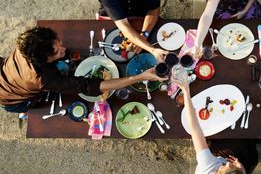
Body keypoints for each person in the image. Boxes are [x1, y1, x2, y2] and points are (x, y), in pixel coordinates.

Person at [0, 27, 166, 118]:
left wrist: (57, 55)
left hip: (7, 71)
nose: (64, 49)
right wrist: (140, 77)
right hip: (12, 99)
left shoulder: (29, 44)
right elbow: (89, 86)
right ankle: (24, 111)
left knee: (64, 67)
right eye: (57, 52)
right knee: (33, 104)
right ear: (42, 60)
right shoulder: (44, 80)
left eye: (59, 44)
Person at [174, 77, 257, 174]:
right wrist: (242, 170)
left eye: (223, 168)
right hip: (230, 164)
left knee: (234, 140)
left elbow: (194, 127)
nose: (228, 163)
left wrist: (186, 91)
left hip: (214, 160)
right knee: (245, 142)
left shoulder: (206, 167)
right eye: (233, 170)